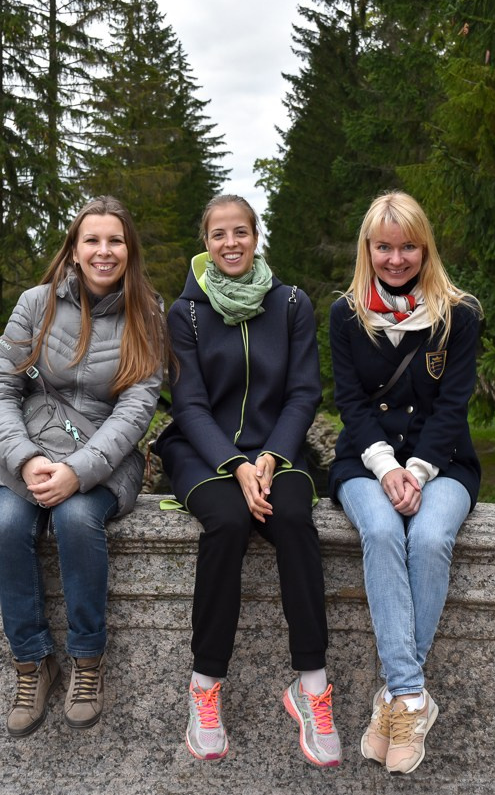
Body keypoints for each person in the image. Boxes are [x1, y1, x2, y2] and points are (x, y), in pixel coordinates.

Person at [154, 194, 341, 767]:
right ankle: (204, 685)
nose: (230, 243)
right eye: (218, 234)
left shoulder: (290, 305)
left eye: (241, 232)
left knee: (290, 515)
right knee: (231, 520)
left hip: (276, 449)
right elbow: (186, 404)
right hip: (202, 452)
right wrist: (234, 465)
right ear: (205, 243)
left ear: (256, 237)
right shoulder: (184, 314)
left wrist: (271, 456)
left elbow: (304, 391)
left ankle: (312, 686)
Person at [0, 196, 166, 737]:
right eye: (93, 241)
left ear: (130, 250)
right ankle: (32, 662)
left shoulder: (147, 313)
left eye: (115, 241)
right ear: (74, 251)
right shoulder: (36, 304)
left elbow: (136, 410)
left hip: (104, 455)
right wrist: (25, 457)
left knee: (78, 519)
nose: (104, 252)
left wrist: (79, 471)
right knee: (7, 524)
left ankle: (86, 661)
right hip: (27, 447)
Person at [328, 191, 482, 775]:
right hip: (364, 461)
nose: (396, 259)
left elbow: (453, 407)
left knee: (431, 538)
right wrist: (387, 469)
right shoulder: (345, 313)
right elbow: (349, 402)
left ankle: (396, 697)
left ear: (426, 247)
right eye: (384, 247)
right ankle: (413, 698)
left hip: (443, 461)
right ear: (368, 248)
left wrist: (416, 470)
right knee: (383, 530)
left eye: (408, 247)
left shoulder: (457, 313)